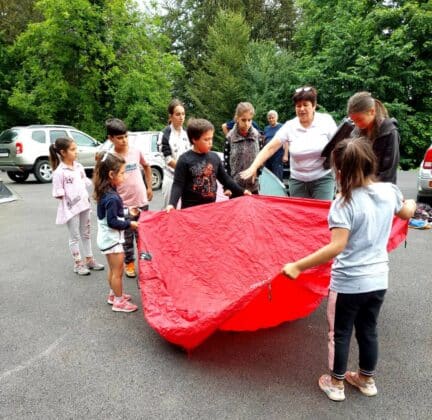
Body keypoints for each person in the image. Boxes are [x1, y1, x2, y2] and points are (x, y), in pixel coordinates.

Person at [281, 137, 416, 402]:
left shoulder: (343, 204)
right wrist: (410, 205)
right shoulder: (389, 191)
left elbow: (336, 246)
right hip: (378, 280)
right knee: (368, 330)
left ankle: (336, 383)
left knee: (340, 333)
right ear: (370, 163)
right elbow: (405, 212)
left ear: (339, 172)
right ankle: (366, 380)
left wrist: (298, 265)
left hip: (348, 284)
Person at [241, 86, 337, 199]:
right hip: (298, 181)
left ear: (314, 106)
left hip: (323, 178)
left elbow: (339, 146)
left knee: (321, 215)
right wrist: (254, 167)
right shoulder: (290, 126)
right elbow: (270, 148)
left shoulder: (326, 121)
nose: (301, 109)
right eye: (298, 106)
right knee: (299, 216)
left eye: (305, 105)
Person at [166, 118, 251, 211]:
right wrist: (172, 204)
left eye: (211, 138)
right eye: (206, 139)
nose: (210, 142)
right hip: (190, 211)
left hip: (210, 210)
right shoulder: (184, 160)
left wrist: (242, 191)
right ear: (194, 139)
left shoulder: (214, 157)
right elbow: (178, 185)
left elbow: (226, 179)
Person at [106, 118, 153, 278]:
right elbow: (104, 183)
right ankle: (129, 263)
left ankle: (145, 264)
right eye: (119, 138)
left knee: (144, 235)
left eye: (126, 136)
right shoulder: (110, 158)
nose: (124, 140)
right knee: (126, 238)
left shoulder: (136, 151)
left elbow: (147, 167)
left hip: (141, 201)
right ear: (110, 138)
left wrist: (149, 187)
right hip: (123, 205)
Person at [49, 137, 104, 276]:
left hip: (84, 205)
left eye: (76, 149)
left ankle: (90, 260)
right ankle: (78, 263)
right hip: (70, 209)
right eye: (73, 149)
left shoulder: (79, 167)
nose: (76, 152)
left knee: (86, 233)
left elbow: (86, 183)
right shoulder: (59, 172)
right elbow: (57, 193)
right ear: (63, 152)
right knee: (74, 236)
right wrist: (70, 198)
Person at [93, 151, 139, 313]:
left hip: (106, 238)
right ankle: (119, 302)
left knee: (113, 270)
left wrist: (127, 211)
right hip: (112, 240)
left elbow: (111, 214)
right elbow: (113, 222)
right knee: (118, 272)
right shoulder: (112, 197)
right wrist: (130, 223)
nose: (124, 176)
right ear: (111, 174)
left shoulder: (106, 192)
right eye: (122, 173)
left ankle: (113, 295)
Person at [347, 91, 400, 184]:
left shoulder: (389, 132)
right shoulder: (356, 132)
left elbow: (388, 173)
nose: (356, 124)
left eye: (359, 120)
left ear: (372, 111)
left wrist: (370, 189)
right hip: (359, 188)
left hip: (382, 190)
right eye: (353, 120)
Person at [224, 102, 262, 195]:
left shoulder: (257, 136)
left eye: (249, 120)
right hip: (236, 187)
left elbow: (262, 157)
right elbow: (226, 163)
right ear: (237, 118)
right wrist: (227, 186)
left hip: (253, 186)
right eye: (243, 120)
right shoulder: (230, 138)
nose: (247, 124)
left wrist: (257, 171)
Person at [158, 99, 190, 208]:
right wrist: (184, 169)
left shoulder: (187, 133)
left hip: (187, 178)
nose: (181, 117)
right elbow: (168, 159)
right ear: (170, 117)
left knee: (186, 210)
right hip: (171, 179)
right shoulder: (164, 134)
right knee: (171, 210)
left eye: (183, 114)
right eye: (177, 114)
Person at [263, 110, 287, 181]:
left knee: (277, 177)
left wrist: (285, 155)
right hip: (268, 156)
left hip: (278, 156)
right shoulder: (266, 128)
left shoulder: (282, 127)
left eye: (272, 117)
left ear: (276, 118)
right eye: (269, 118)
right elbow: (265, 140)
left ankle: (278, 192)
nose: (271, 119)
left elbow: (286, 142)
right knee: (268, 177)